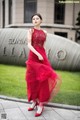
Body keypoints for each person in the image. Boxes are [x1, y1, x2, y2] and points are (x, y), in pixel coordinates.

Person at [25, 13, 61, 117]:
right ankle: (34, 101)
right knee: (32, 80)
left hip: (42, 57)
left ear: (41, 20)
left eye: (37, 18)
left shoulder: (45, 32)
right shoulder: (30, 31)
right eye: (33, 19)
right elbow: (29, 45)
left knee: (43, 80)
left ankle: (41, 104)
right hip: (33, 57)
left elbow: (43, 47)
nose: (35, 20)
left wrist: (43, 56)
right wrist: (38, 54)